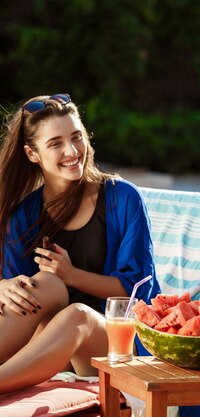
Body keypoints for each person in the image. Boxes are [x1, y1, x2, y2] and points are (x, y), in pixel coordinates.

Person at [0, 94, 161, 394]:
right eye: (55, 143)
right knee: (47, 284)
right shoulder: (23, 216)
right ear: (32, 154)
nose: (72, 151)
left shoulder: (122, 198)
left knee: (78, 315)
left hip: (116, 347)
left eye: (76, 137)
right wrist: (4, 286)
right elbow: (16, 298)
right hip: (45, 350)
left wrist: (72, 275)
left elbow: (135, 291)